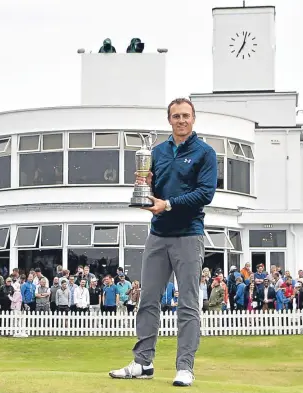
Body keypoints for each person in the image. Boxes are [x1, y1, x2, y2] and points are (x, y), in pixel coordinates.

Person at [108, 98, 217, 387]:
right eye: (176, 116)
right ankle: (143, 363)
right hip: (158, 235)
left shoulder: (205, 153)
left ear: (194, 119)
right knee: (147, 300)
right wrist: (145, 186)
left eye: (186, 116)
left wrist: (168, 204)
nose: (181, 120)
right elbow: (151, 191)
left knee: (188, 304)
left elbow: (205, 193)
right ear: (169, 120)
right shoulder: (157, 152)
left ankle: (185, 367)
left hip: (189, 235)